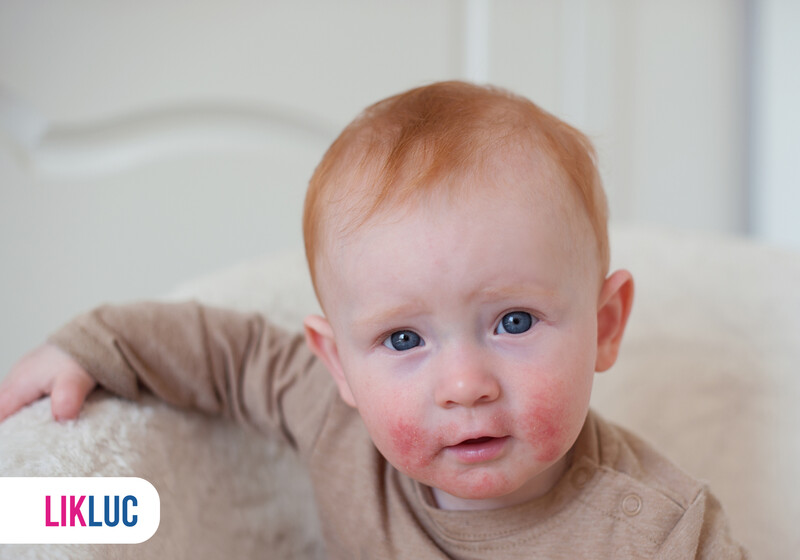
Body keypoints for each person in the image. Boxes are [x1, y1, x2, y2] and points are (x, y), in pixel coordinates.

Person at [0, 81, 747, 558]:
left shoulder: (661, 532)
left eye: (513, 322)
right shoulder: (334, 420)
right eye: (403, 339)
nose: (463, 385)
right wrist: (94, 346)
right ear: (338, 364)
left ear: (606, 324)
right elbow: (225, 352)